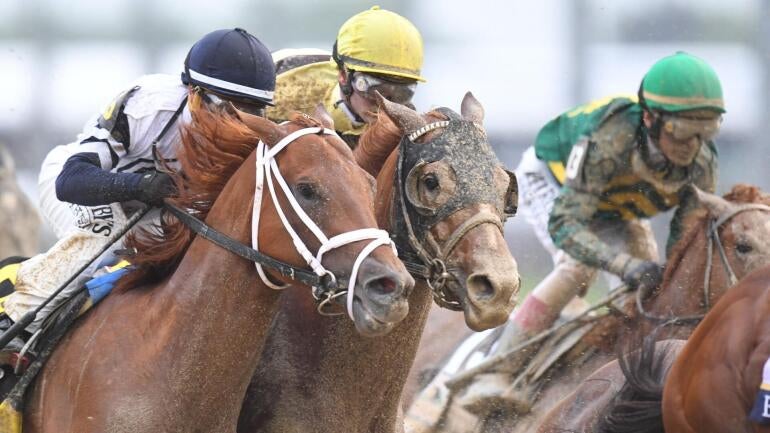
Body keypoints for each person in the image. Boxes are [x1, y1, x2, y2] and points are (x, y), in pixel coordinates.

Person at [459, 51, 724, 413]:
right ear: (650, 117)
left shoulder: (702, 162)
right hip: (554, 182)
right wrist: (622, 264)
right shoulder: (609, 139)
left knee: (650, 288)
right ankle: (496, 372)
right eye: (681, 130)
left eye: (705, 131)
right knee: (577, 269)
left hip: (614, 205)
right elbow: (567, 225)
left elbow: (685, 240)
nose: (691, 146)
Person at [0, 28, 276, 342]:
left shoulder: (257, 137)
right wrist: (140, 185)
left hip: (149, 210)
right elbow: (71, 181)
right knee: (103, 239)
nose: (238, 123)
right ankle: (12, 321)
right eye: (227, 108)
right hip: (81, 186)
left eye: (251, 110)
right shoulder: (148, 103)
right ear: (194, 95)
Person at [267, 6, 426, 149]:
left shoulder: (407, 128)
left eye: (401, 92)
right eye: (374, 89)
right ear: (343, 76)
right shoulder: (285, 87)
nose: (384, 105)